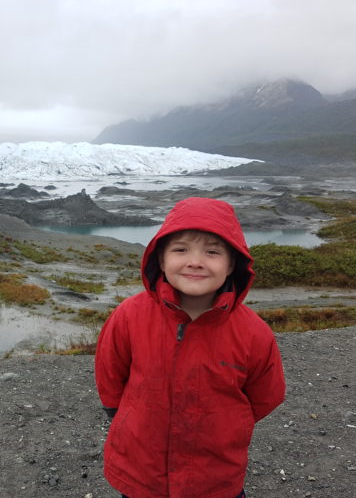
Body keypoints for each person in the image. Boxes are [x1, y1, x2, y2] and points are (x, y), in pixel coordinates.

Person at [95, 197, 286, 498]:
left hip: (215, 477)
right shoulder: (130, 315)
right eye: (181, 249)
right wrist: (128, 417)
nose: (195, 261)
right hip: (141, 470)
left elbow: (266, 396)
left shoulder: (253, 332)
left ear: (232, 263)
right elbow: (110, 375)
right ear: (160, 258)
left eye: (212, 252)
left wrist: (227, 424)